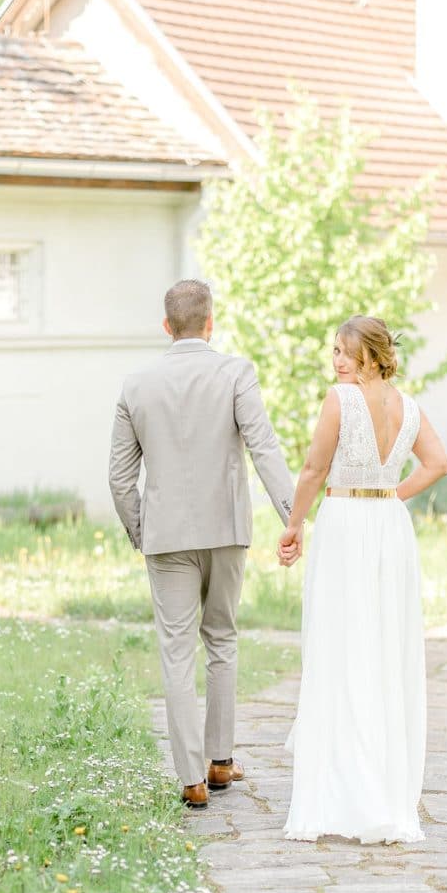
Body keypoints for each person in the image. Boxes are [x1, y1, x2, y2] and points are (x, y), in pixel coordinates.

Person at [108, 279, 297, 810]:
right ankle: (220, 760)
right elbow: (264, 448)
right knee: (223, 641)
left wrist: (143, 532)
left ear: (166, 327)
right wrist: (293, 517)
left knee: (175, 652)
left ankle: (191, 777)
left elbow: (120, 479)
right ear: (210, 323)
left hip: (166, 538)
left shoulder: (136, 384)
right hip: (227, 531)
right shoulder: (236, 372)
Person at [277, 315, 447, 843]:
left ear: (372, 355)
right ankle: (384, 793)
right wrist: (391, 497)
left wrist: (293, 525)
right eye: (334, 351)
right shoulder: (409, 407)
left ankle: (342, 795)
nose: (337, 361)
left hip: (346, 524)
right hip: (388, 530)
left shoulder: (340, 399)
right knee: (382, 650)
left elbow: (312, 470)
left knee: (339, 647)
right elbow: (437, 463)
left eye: (346, 352)